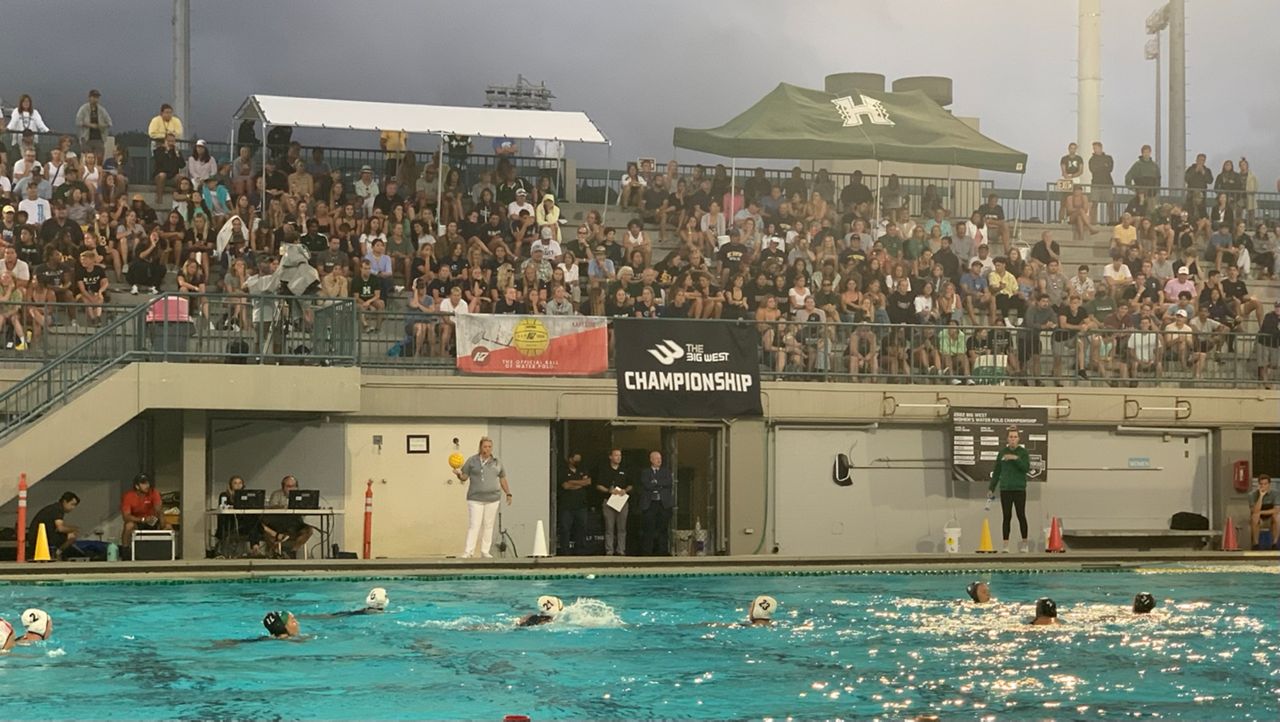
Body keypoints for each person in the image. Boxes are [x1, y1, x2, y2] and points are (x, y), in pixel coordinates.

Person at [454, 436, 513, 559]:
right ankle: (468, 551)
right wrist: (459, 474)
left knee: (488, 525)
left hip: (492, 498)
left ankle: (485, 551)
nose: (487, 449)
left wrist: (508, 493)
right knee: (474, 525)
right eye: (485, 446)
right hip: (475, 498)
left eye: (490, 447)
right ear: (480, 447)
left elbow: (502, 478)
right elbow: (464, 477)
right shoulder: (472, 461)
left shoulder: (497, 462)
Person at [988, 428, 1031, 553]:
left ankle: (1025, 543)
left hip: (1019, 489)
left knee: (1021, 515)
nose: (1013, 439)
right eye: (1011, 437)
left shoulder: (1023, 453)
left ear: (1018, 439)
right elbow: (996, 472)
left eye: (1015, 437)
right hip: (1005, 489)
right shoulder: (1002, 453)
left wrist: (1015, 458)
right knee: (1006, 516)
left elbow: (1025, 468)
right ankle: (1005, 544)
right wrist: (991, 488)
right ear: (1007, 439)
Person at [262, 475, 314, 558]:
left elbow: (305, 512)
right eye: (288, 486)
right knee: (266, 532)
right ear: (283, 487)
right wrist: (284, 508)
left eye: (293, 486)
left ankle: (292, 551)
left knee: (309, 530)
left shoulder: (302, 496)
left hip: (296, 524)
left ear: (296, 487)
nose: (290, 489)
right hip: (278, 525)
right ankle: (277, 553)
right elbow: (271, 509)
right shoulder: (276, 494)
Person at [595, 449, 632, 556]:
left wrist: (625, 490)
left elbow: (631, 484)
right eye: (616, 455)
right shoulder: (604, 470)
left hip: (622, 501)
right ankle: (609, 550)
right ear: (610, 457)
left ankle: (621, 550)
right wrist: (608, 490)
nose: (618, 457)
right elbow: (598, 485)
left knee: (622, 527)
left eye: (620, 455)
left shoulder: (625, 470)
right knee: (609, 527)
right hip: (609, 501)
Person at [637, 450, 674, 556]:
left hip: (663, 504)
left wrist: (656, 482)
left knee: (663, 529)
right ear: (651, 459)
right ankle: (647, 551)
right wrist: (659, 484)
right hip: (650, 504)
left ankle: (662, 551)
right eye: (657, 458)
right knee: (649, 529)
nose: (659, 460)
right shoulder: (645, 472)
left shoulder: (666, 472)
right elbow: (646, 485)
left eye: (660, 459)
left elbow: (668, 482)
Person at [120, 474, 169, 548]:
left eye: (147, 483)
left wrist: (162, 525)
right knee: (128, 526)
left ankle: (166, 553)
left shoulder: (154, 492)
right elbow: (126, 517)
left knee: (168, 527)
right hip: (138, 522)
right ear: (137, 486)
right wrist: (143, 520)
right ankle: (125, 551)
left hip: (153, 522)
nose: (147, 485)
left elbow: (159, 510)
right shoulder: (128, 496)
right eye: (143, 483)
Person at [557, 452, 592, 555]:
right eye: (576, 460)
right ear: (570, 459)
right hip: (566, 506)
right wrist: (581, 483)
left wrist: (572, 482)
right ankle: (565, 552)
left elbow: (588, 482)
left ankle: (580, 551)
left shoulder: (583, 470)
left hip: (581, 506)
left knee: (581, 528)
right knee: (565, 529)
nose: (578, 462)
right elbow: (565, 486)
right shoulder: (563, 471)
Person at [27, 492, 80, 559]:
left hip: (38, 535)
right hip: (39, 537)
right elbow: (60, 528)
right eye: (72, 504)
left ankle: (56, 553)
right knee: (72, 535)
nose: (73, 508)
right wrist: (74, 529)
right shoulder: (58, 509)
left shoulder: (53, 508)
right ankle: (57, 553)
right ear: (65, 502)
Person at [1249, 473, 1278, 550]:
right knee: (1255, 517)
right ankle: (1256, 544)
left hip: (1270, 517)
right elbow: (1254, 511)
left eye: (1265, 484)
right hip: (1259, 518)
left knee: (1277, 516)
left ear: (1269, 484)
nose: (1263, 486)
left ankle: (1275, 543)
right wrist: (1261, 496)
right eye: (1261, 484)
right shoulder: (1252, 495)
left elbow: (1276, 510)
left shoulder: (1276, 494)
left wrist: (1261, 512)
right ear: (1258, 485)